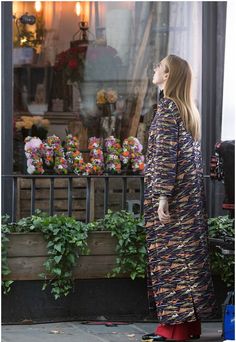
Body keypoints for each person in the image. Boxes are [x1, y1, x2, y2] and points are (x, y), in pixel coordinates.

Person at [143, 55, 216, 342]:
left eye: (158, 67)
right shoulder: (187, 110)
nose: (154, 69)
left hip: (172, 201)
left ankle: (172, 329)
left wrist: (162, 196)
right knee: (189, 261)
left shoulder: (166, 109)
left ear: (168, 74)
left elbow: (165, 156)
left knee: (171, 262)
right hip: (189, 200)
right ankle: (189, 326)